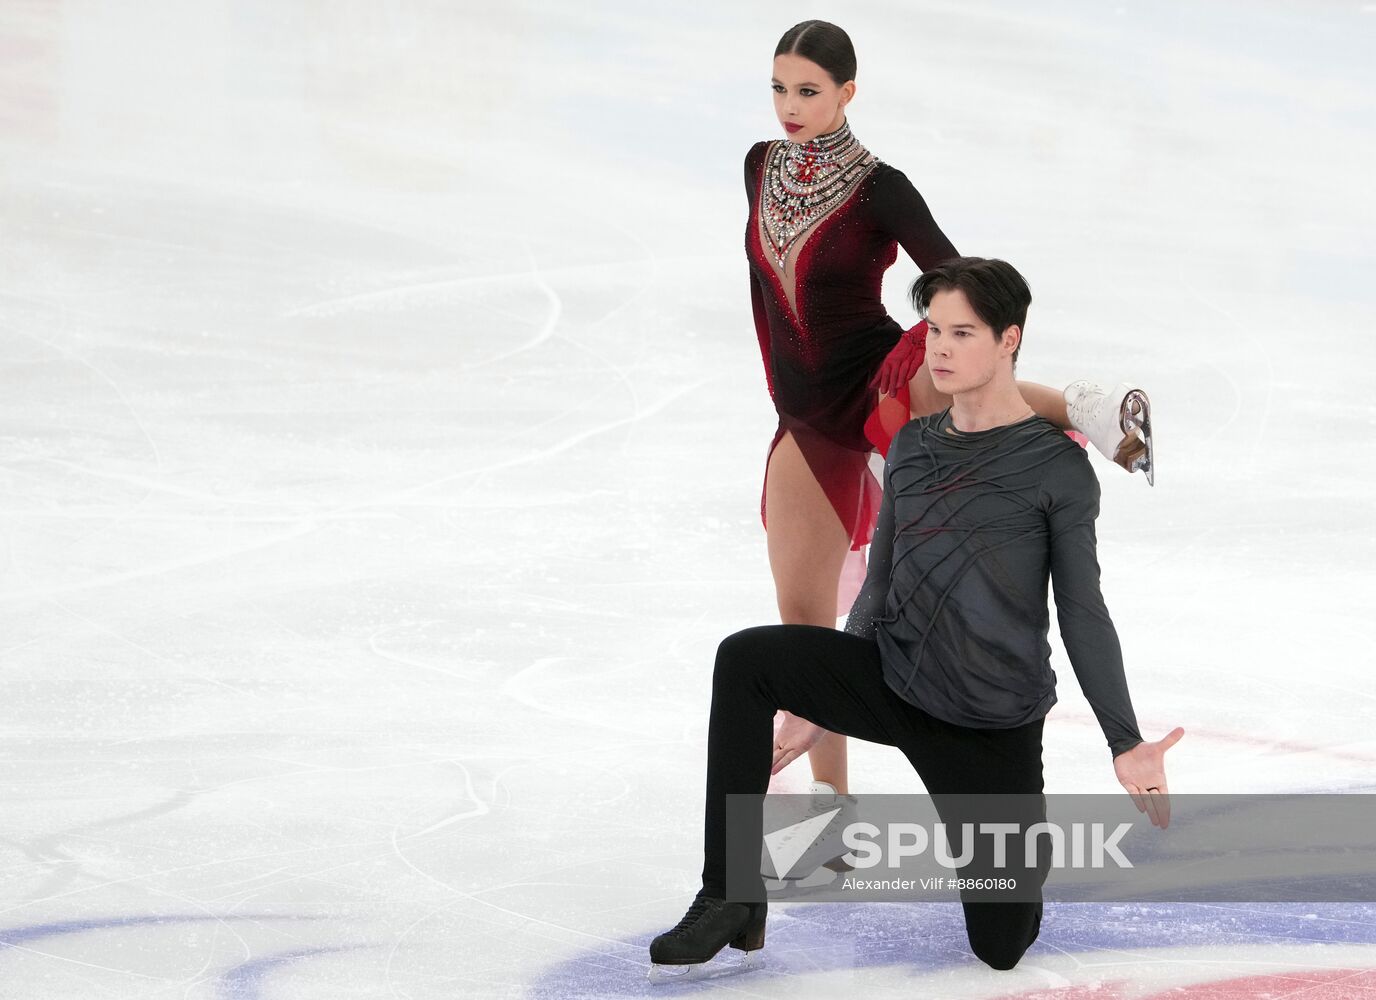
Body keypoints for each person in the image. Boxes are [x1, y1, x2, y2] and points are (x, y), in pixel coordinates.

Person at [649, 257, 1183, 978]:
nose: (939, 347)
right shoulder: (913, 448)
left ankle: (1019, 857)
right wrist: (822, 702)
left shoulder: (1055, 469)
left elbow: (1082, 611)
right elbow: (879, 589)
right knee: (747, 661)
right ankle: (730, 895)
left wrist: (1125, 741)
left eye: (962, 332)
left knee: (1001, 947)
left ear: (1008, 341)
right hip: (896, 679)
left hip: (989, 726)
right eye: (933, 329)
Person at [747, 21, 1153, 802]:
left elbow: (957, 278)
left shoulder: (880, 187)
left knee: (944, 367)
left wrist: (950, 338)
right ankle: (832, 806)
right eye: (778, 88)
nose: (789, 106)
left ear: (846, 94)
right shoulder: (759, 166)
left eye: (808, 91)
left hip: (872, 374)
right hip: (805, 414)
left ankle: (1089, 409)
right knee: (804, 630)